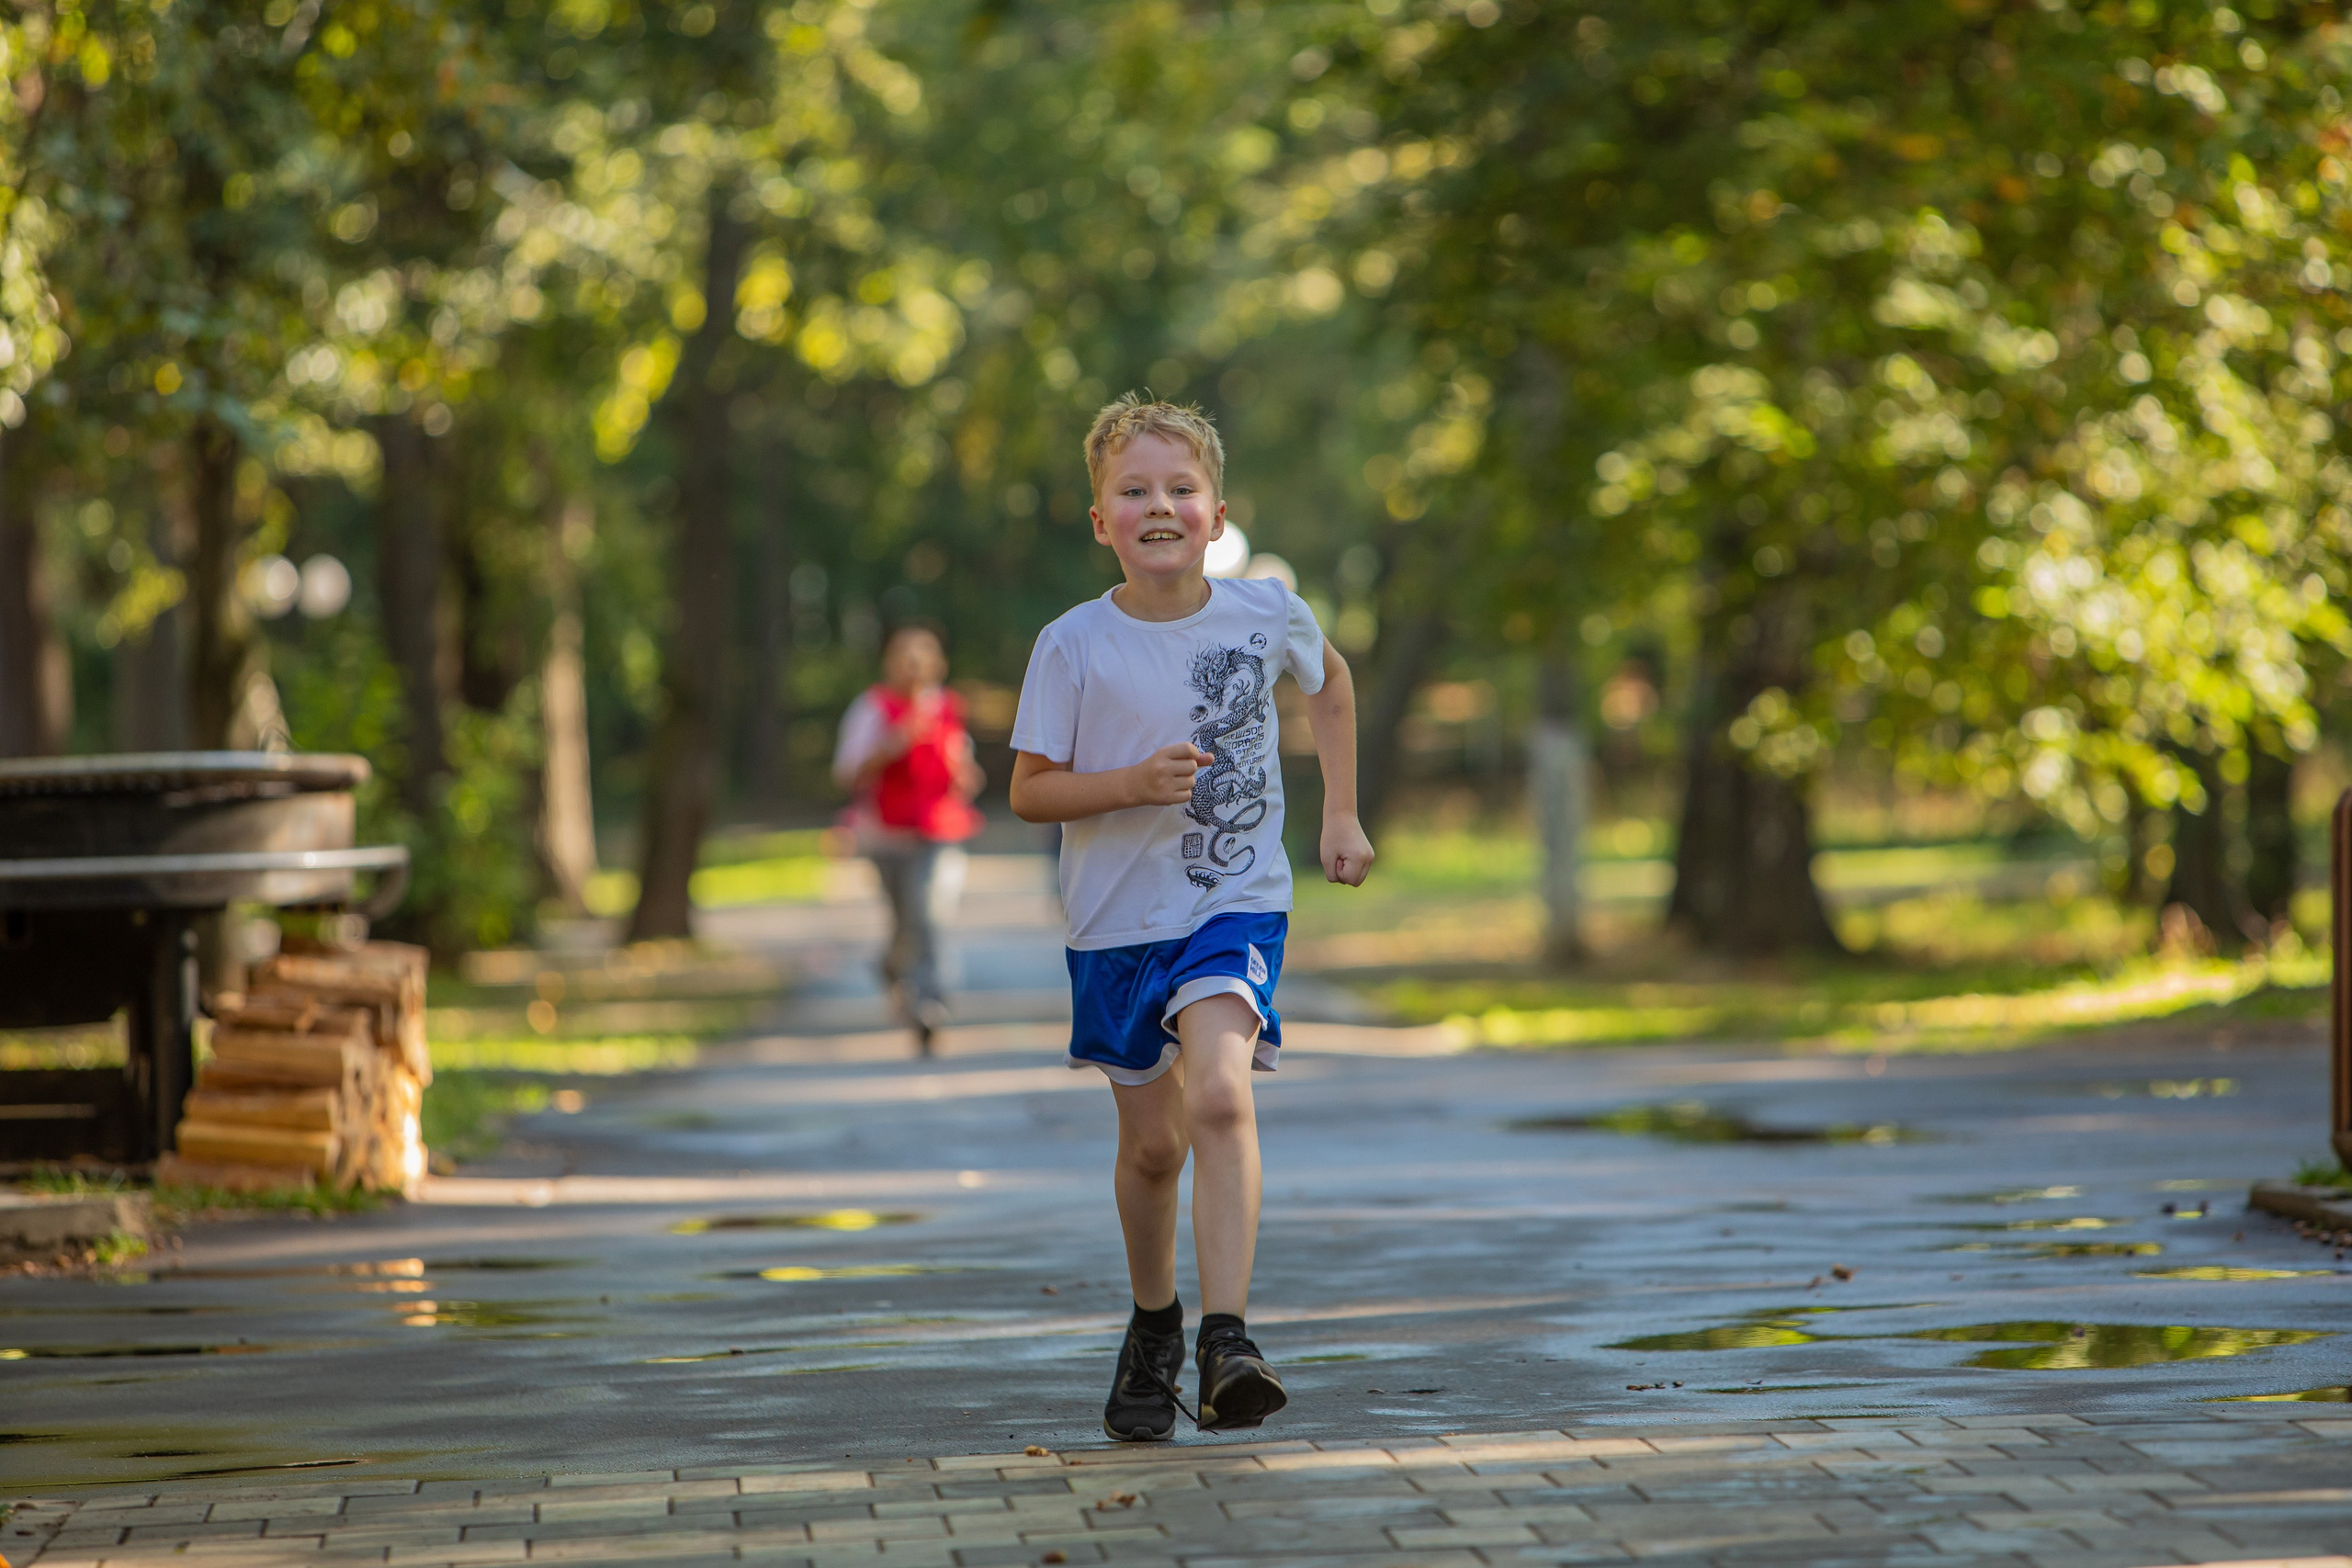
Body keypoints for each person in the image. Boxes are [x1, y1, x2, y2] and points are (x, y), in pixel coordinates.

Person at [1008, 394, 1374, 1441]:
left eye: (1181, 489)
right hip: (1115, 923)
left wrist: (1340, 813)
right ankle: (1154, 1323)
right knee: (1154, 1148)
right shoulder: (1072, 645)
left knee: (1219, 1096)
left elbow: (1332, 685)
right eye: (1134, 490)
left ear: (1217, 515)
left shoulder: (1263, 613)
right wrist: (1128, 782)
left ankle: (1228, 1340)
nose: (1158, 505)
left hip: (1234, 901)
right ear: (1099, 521)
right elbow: (1031, 791)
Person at [833, 621, 985, 1055]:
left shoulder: (948, 710)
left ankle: (930, 1003)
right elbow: (846, 773)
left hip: (941, 830)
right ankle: (892, 967)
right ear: (891, 663)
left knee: (930, 913)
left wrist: (963, 773)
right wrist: (889, 748)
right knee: (905, 922)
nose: (914, 667)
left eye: (923, 657)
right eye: (906, 657)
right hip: (888, 834)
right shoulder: (873, 709)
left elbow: (965, 775)